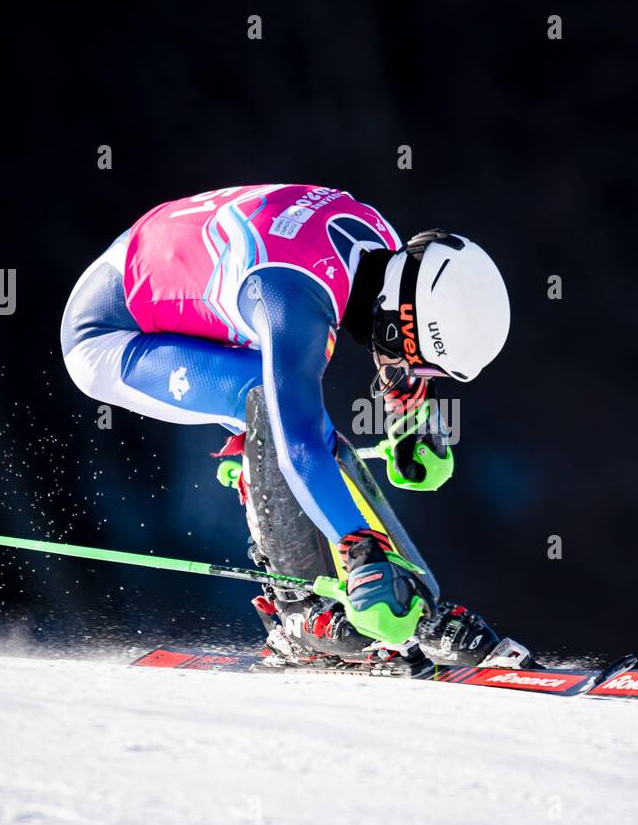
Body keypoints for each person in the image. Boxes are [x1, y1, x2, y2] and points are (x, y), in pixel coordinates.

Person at [60, 184, 519, 667]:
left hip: (162, 271)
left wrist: (410, 415)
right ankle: (298, 614)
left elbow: (388, 326)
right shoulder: (296, 302)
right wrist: (362, 556)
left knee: (295, 419)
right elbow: (298, 448)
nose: (413, 376)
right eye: (419, 365)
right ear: (397, 322)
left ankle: (403, 599)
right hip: (107, 333)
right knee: (270, 404)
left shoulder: (384, 249)